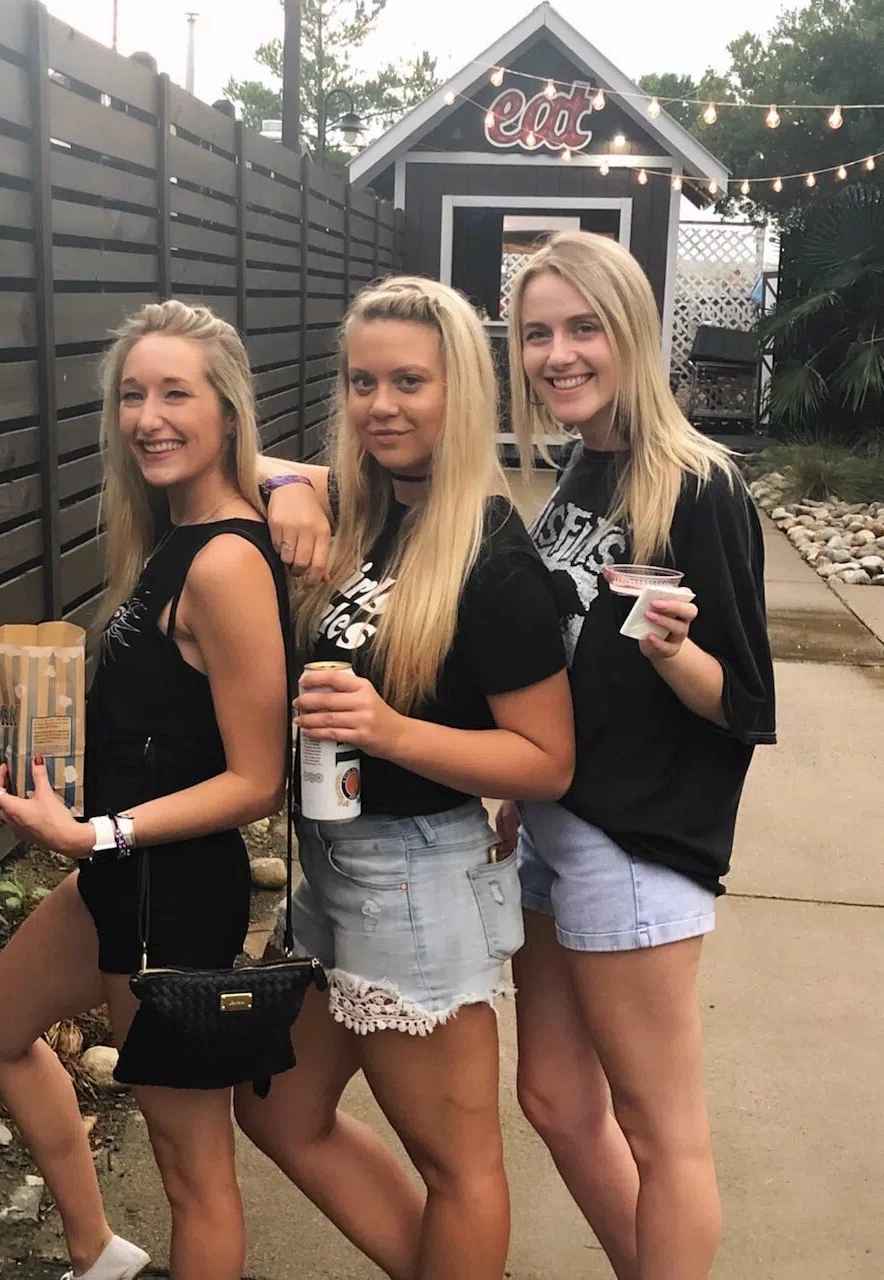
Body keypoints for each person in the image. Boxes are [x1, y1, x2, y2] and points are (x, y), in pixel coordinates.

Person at [234, 276, 575, 1280]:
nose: (380, 405)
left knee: (458, 1164)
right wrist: (293, 488)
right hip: (334, 869)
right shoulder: (367, 509)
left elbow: (547, 760)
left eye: (409, 382)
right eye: (362, 382)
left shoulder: (494, 560)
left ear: (459, 389)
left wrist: (389, 731)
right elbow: (227, 450)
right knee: (277, 1107)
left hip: (418, 879)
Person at [0, 301, 289, 1280]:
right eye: (132, 395)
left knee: (195, 1174)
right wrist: (52, 782)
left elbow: (256, 780)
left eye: (176, 393)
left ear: (227, 410)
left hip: (169, 898)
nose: (148, 417)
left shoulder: (226, 561)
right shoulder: (173, 535)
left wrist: (95, 831)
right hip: (120, 877)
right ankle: (95, 1250)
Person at [499, 230, 776, 1280]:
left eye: (583, 328)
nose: (559, 354)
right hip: (555, 820)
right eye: (538, 334)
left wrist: (672, 652)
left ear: (630, 332)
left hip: (635, 839)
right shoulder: (584, 462)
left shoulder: (699, 483)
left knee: (663, 1132)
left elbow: (743, 701)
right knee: (553, 1097)